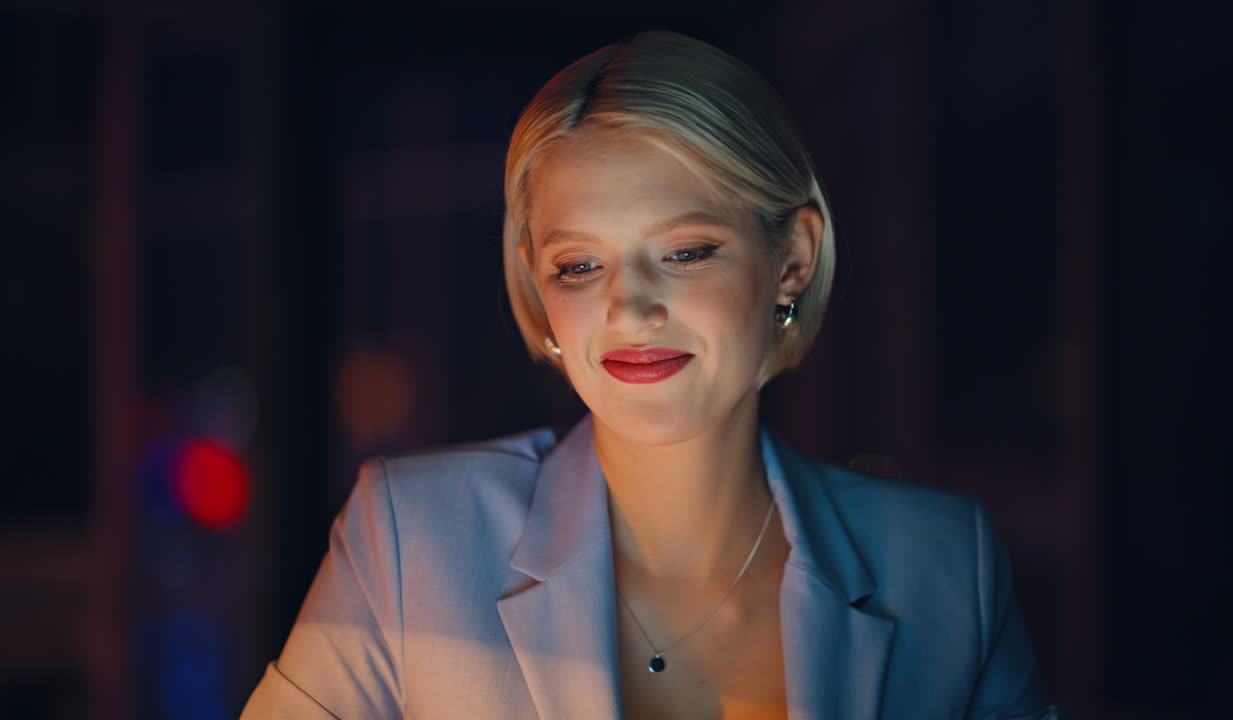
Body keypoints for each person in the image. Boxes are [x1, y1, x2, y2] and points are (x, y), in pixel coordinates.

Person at [242, 30, 1063, 720]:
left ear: (793, 259)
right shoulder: (409, 539)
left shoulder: (945, 565)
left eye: (685, 252)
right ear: (536, 283)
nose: (629, 310)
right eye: (578, 266)